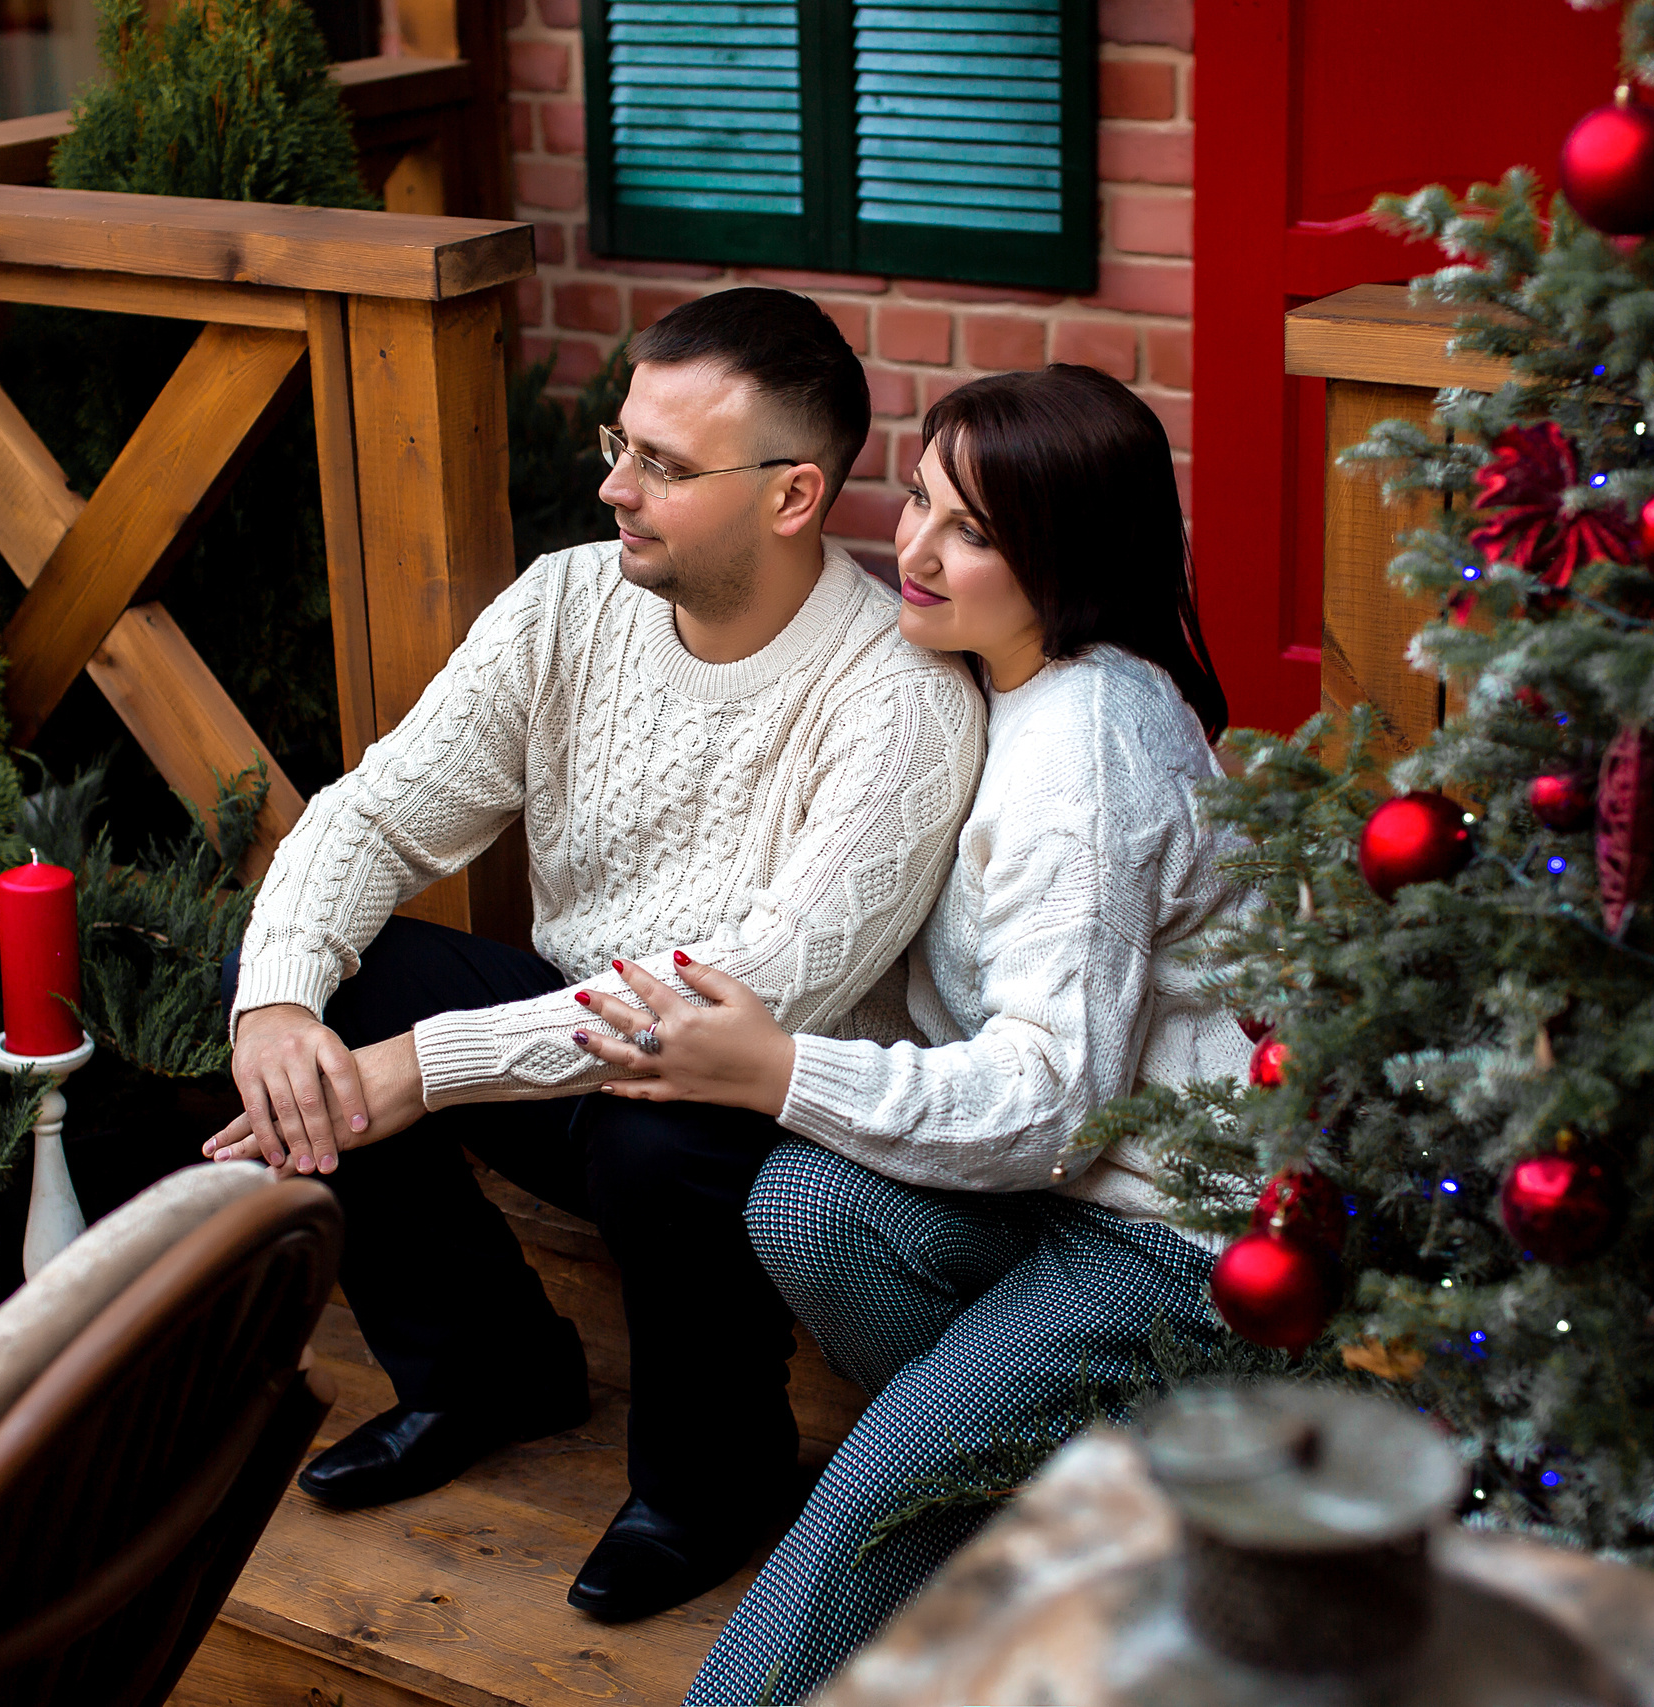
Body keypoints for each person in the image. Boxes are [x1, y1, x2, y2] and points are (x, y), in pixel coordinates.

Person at [200, 287, 984, 1624]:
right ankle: (485, 1371)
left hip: (766, 1111)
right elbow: (377, 813)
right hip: (574, 1051)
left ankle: (710, 1481)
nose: (615, 485)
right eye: (621, 444)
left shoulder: (899, 700)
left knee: (653, 1128)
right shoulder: (565, 604)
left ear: (793, 495)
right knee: (334, 972)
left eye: (663, 466)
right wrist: (274, 1005)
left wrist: (424, 1073)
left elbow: (729, 1001)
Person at [564, 364, 1250, 1700]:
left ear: (1070, 555)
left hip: (1170, 1238)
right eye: (925, 503)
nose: (917, 554)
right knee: (811, 1205)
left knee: (865, 1499)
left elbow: (1057, 1102)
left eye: (974, 533)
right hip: (1052, 1200)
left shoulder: (1087, 754)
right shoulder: (1002, 681)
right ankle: (1045, 1496)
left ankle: (967, 1491)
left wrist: (774, 1066)